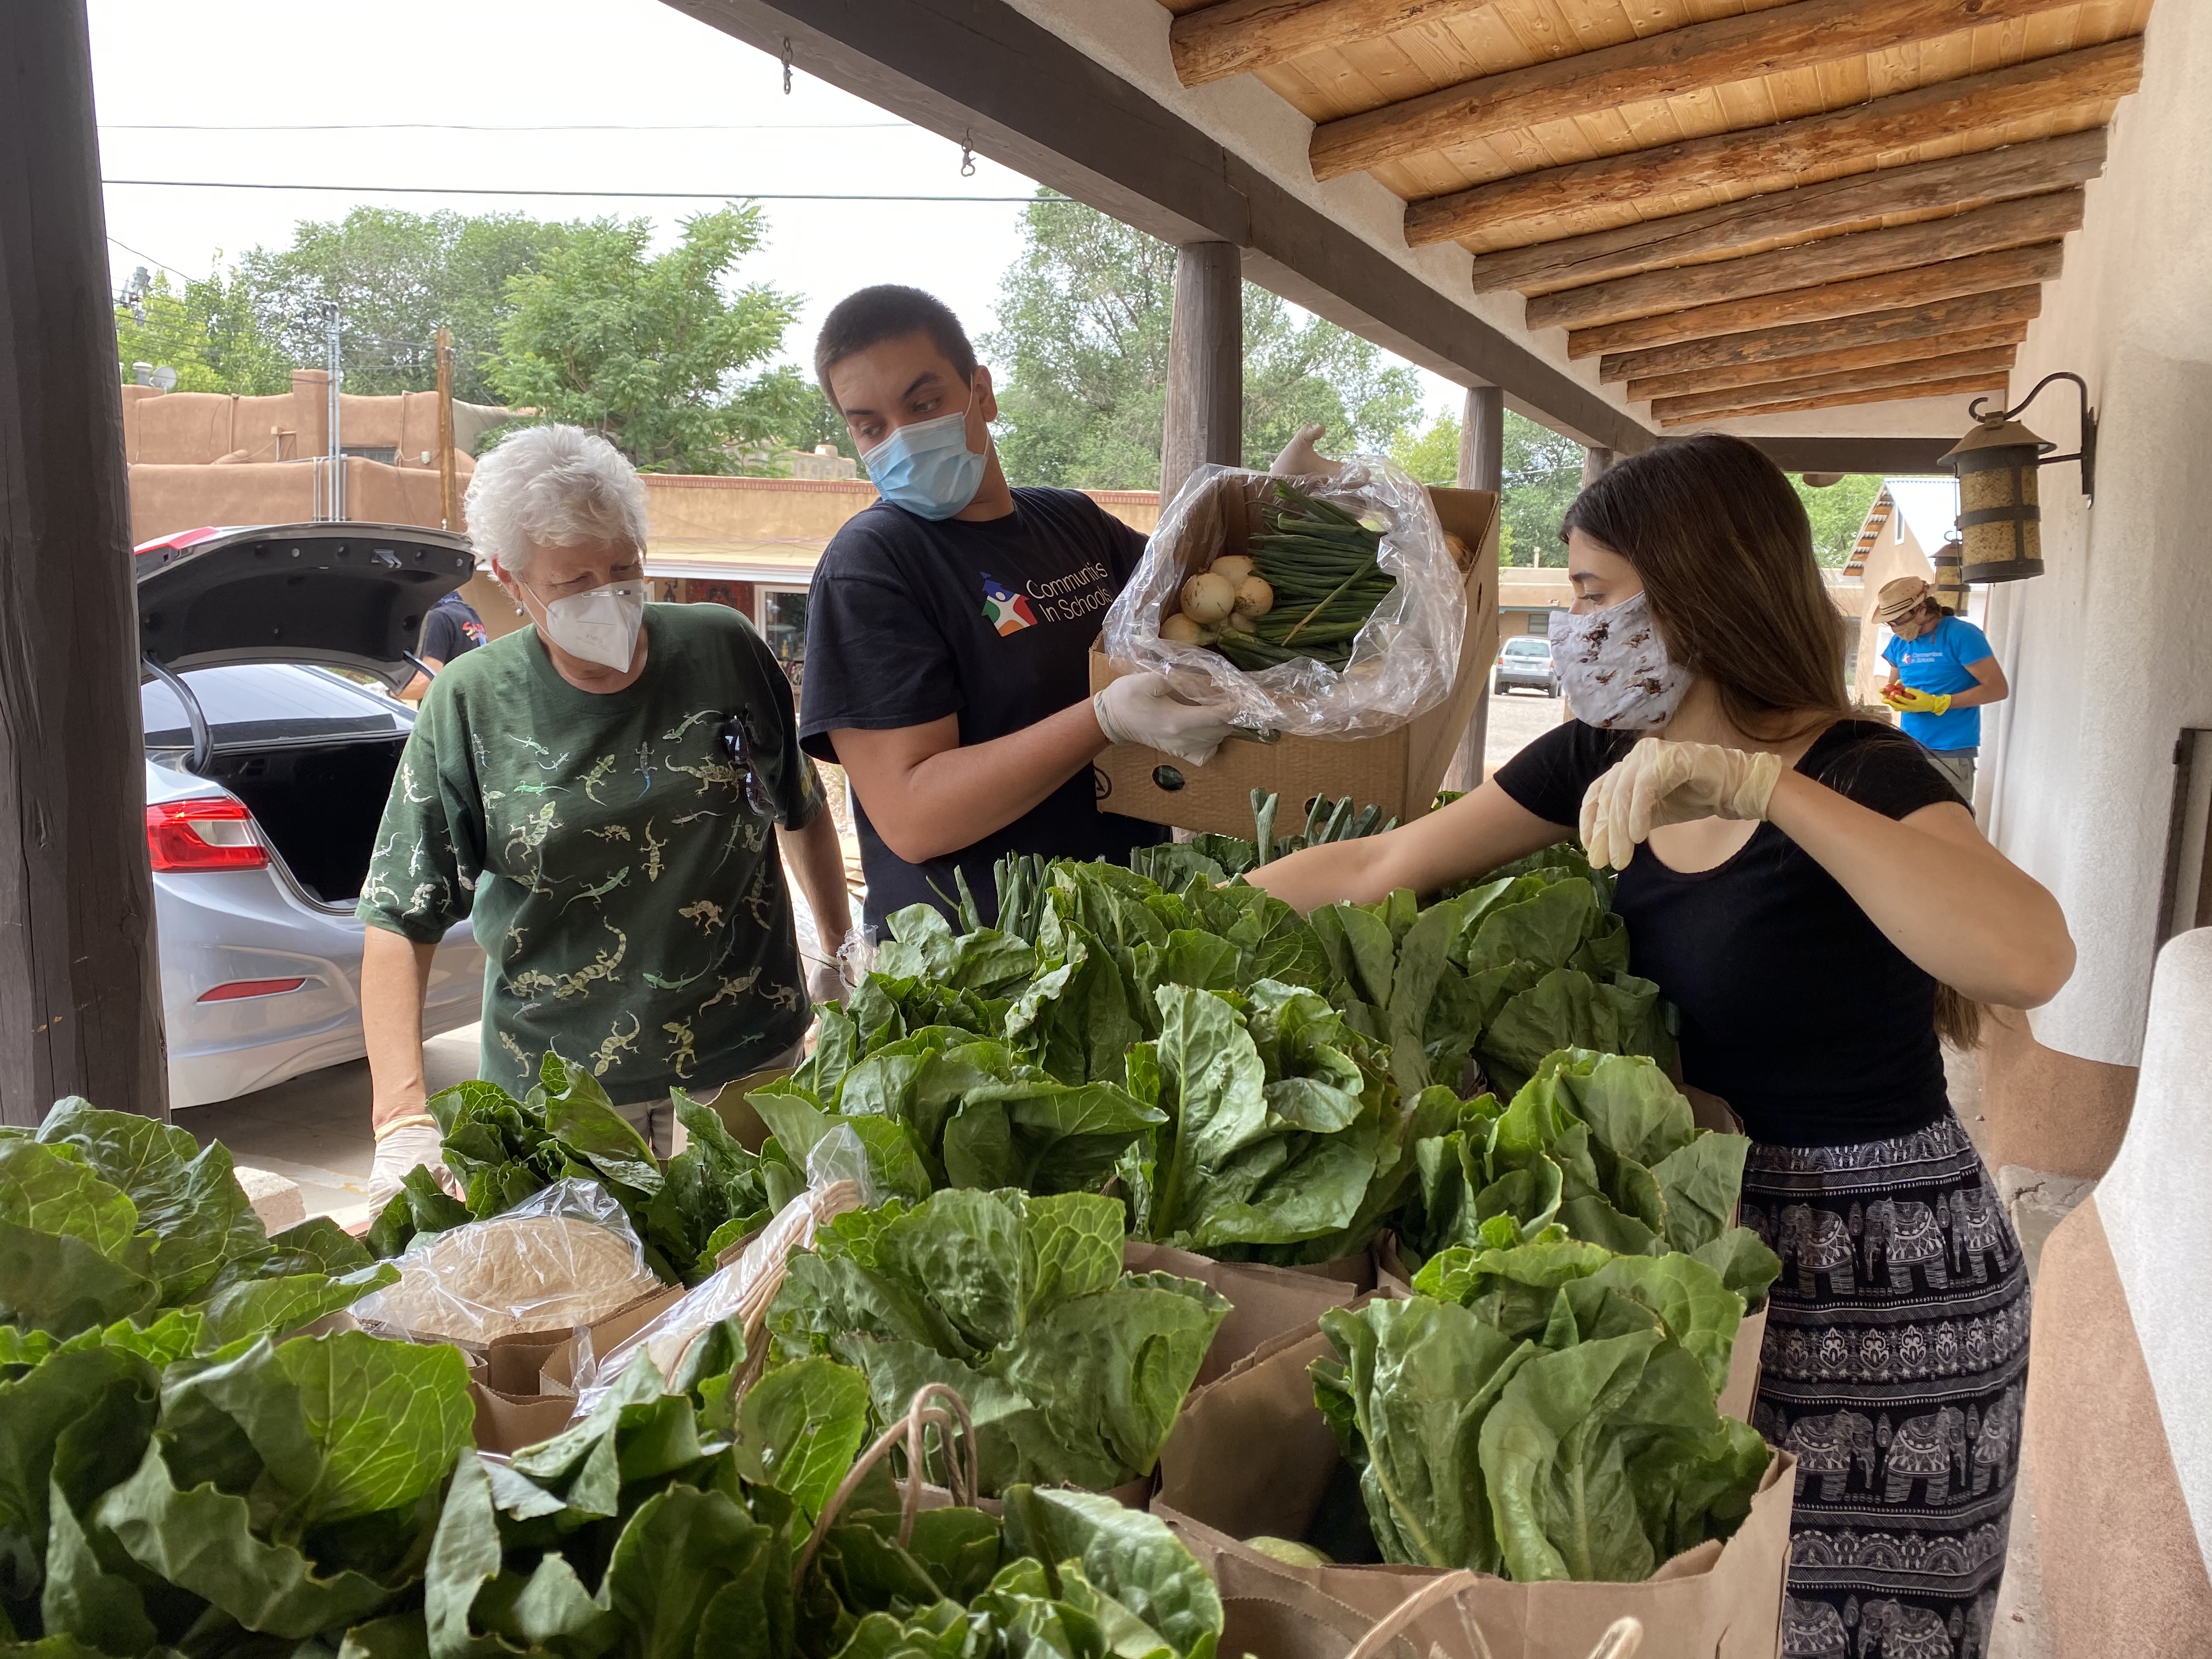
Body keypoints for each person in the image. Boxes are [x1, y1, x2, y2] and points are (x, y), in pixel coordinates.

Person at [1246, 435, 2072, 1641]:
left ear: (1693, 587)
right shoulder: (1598, 757)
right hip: (1688, 1268)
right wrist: (1152, 911)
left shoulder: (1870, 771)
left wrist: (1763, 788)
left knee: (1855, 1626)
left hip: (1890, 1295)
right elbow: (1383, 865)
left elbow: (2029, 958)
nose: (1573, 626)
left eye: (1589, 593)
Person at [359, 424, 853, 1197]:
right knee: (597, 1301)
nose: (608, 595)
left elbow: (796, 803)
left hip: (744, 1061)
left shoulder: (723, 650)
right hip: (562, 1090)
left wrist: (837, 948)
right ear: (511, 579)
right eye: (573, 581)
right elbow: (401, 913)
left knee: (753, 1283)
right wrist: (401, 1118)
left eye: (623, 568)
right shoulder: (472, 701)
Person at [798, 285, 1241, 935]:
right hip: (976, 971)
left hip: (1114, 929)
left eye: (924, 403)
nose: (903, 438)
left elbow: (1202, 598)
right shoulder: (872, 566)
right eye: (871, 425)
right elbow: (914, 817)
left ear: (982, 393)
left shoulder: (1072, 521)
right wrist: (1104, 718)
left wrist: (1267, 516)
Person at [1876, 575, 2007, 804]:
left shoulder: (1962, 634)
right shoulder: (1899, 642)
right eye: (1890, 622)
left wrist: (1940, 703)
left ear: (1921, 609)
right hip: (1909, 749)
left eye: (1898, 619)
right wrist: (1892, 696)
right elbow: (1896, 686)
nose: (1895, 627)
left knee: (1952, 832)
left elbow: (1997, 689)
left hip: (1951, 753)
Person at [398, 587, 488, 703]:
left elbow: (426, 681)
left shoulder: (438, 618)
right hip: (471, 706)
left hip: (448, 713)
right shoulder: (470, 615)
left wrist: (387, 690)